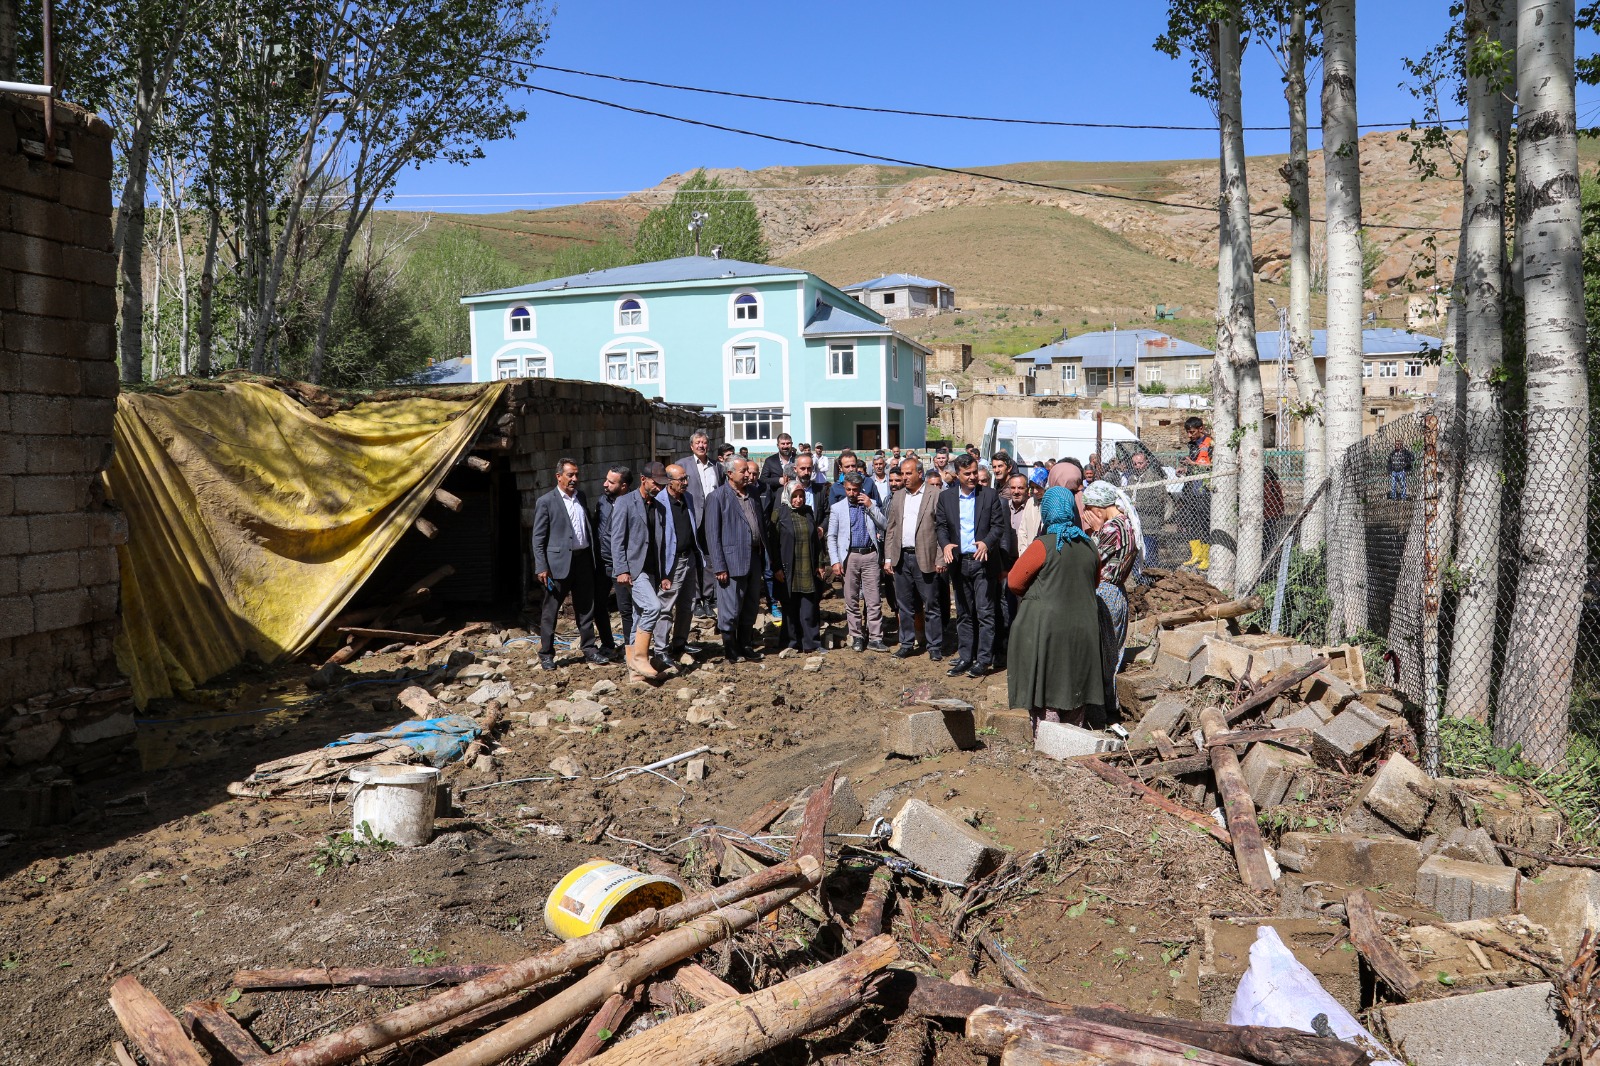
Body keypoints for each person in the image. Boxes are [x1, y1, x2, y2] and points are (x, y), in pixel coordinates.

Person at [1007, 487, 1104, 730]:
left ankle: (1048, 739)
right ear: (1072, 511)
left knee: (1047, 687)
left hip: (1047, 628)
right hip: (1084, 629)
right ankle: (1074, 739)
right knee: (1075, 685)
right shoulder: (1089, 546)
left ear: (1047, 512)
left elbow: (1014, 582)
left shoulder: (1043, 545)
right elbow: (1093, 583)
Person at [531, 458, 607, 671]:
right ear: (559, 476)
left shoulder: (581, 497)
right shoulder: (546, 501)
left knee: (585, 607)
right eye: (570, 475)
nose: (574, 479)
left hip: (583, 560)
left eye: (576, 475)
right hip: (557, 564)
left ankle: (590, 649)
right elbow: (538, 538)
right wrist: (541, 566)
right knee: (551, 610)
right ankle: (546, 653)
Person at [936, 454, 1008, 678]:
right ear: (957, 474)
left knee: (985, 612)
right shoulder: (946, 498)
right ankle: (966, 657)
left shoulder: (989, 495)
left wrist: (987, 543)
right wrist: (946, 544)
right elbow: (941, 526)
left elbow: (998, 526)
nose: (972, 477)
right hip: (959, 562)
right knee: (965, 612)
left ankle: (983, 660)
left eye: (975, 472)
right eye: (967, 473)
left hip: (983, 562)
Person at [1081, 481, 1137, 726]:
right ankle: (1109, 708)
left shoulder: (1110, 528)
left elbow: (1090, 559)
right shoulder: (1126, 521)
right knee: (1113, 653)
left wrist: (1094, 531)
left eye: (1090, 510)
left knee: (1103, 654)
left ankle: (1101, 713)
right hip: (1118, 592)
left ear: (1099, 508)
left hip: (1105, 592)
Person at [609, 462, 670, 679]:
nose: (660, 488)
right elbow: (616, 539)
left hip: (653, 569)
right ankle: (641, 658)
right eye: (656, 483)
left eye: (663, 484)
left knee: (638, 615)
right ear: (643, 480)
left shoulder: (659, 507)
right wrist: (622, 570)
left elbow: (660, 542)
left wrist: (664, 573)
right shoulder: (625, 502)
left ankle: (635, 673)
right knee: (653, 607)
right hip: (634, 570)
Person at [704, 459, 768, 662]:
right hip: (731, 563)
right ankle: (731, 648)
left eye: (748, 471)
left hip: (754, 558)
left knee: (750, 607)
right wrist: (719, 566)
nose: (748, 475)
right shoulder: (717, 497)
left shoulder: (753, 494)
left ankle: (746, 645)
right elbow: (712, 536)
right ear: (729, 474)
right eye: (743, 471)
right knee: (730, 609)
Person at [885, 457, 946, 660]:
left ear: (920, 473)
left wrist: (940, 558)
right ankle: (906, 643)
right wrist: (888, 557)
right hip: (902, 557)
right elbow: (891, 528)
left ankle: (935, 645)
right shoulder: (898, 496)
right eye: (902, 473)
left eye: (908, 473)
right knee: (905, 604)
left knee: (931, 604)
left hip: (926, 557)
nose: (904, 477)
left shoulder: (935, 494)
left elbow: (942, 529)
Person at [828, 470, 890, 652]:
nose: (852, 494)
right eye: (848, 490)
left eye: (855, 490)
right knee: (851, 599)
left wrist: (870, 506)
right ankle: (856, 636)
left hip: (870, 555)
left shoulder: (871, 504)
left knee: (874, 600)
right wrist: (835, 561)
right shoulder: (837, 508)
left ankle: (875, 637)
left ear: (861, 488)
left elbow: (884, 524)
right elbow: (831, 536)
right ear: (844, 488)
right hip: (849, 556)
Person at [652, 464, 704, 666]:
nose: (685, 483)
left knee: (688, 603)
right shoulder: (660, 502)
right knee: (666, 605)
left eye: (686, 478)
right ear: (669, 481)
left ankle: (680, 642)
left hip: (689, 557)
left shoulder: (688, 498)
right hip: (671, 561)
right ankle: (661, 649)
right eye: (680, 480)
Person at [769, 480, 827, 653]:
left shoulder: (808, 512)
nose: (799, 500)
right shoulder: (779, 514)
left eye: (801, 496)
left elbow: (816, 542)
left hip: (807, 567)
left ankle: (812, 643)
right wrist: (777, 567)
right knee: (789, 608)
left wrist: (820, 564)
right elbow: (773, 545)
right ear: (788, 496)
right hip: (788, 569)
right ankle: (791, 643)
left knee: (809, 607)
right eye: (795, 496)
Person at [677, 430, 725, 619]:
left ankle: (708, 596)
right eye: (698, 442)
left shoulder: (717, 467)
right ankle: (695, 599)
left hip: (711, 518)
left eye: (704, 442)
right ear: (691, 446)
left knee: (710, 558)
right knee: (693, 559)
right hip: (691, 517)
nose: (701, 446)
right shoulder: (683, 465)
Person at [996, 473, 1040, 667]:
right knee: (1005, 604)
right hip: (1006, 564)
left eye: (1020, 488)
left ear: (1027, 490)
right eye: (1012, 488)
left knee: (1023, 606)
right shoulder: (1002, 506)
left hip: (1026, 563)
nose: (1016, 492)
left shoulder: (1033, 507)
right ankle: (1005, 647)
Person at [594, 464, 634, 661]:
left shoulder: (633, 504)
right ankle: (607, 644)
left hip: (621, 566)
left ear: (624, 486)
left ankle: (630, 649)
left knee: (625, 609)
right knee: (598, 605)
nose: (605, 484)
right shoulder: (602, 501)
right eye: (606, 479)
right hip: (602, 563)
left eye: (611, 482)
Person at [1179, 416, 1213, 571]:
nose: (1189, 435)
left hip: (1205, 491)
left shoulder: (1210, 444)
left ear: (1201, 429)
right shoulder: (1192, 445)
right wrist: (1185, 469)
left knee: (1205, 524)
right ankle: (1196, 555)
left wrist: (1194, 464)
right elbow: (1194, 466)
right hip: (1191, 490)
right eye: (1187, 432)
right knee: (1191, 523)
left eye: (1192, 432)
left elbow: (1214, 465)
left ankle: (1206, 557)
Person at [1123, 450, 1166, 568]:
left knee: (1149, 556)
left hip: (1149, 525)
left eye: (1140, 463)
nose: (1137, 466)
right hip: (1134, 524)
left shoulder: (1155, 478)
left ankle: (1151, 581)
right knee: (1135, 555)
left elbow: (1159, 502)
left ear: (1146, 462)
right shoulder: (1132, 478)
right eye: (1135, 464)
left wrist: (1138, 504)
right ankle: (1139, 580)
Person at [759, 433, 799, 508]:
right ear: (778, 445)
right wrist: (779, 480)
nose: (785, 446)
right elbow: (763, 480)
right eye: (783, 444)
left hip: (796, 500)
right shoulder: (770, 461)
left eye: (788, 443)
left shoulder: (798, 459)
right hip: (776, 501)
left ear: (792, 444)